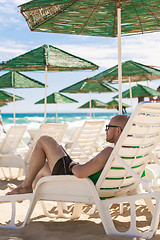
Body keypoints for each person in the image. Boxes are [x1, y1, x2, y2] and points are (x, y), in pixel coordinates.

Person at [7, 114, 130, 195]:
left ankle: (26, 186)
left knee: (44, 140)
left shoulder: (109, 152)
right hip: (100, 187)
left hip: (80, 186)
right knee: (43, 166)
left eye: (108, 127)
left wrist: (73, 165)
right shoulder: (130, 153)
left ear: (118, 130)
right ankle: (25, 189)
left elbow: (80, 172)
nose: (106, 130)